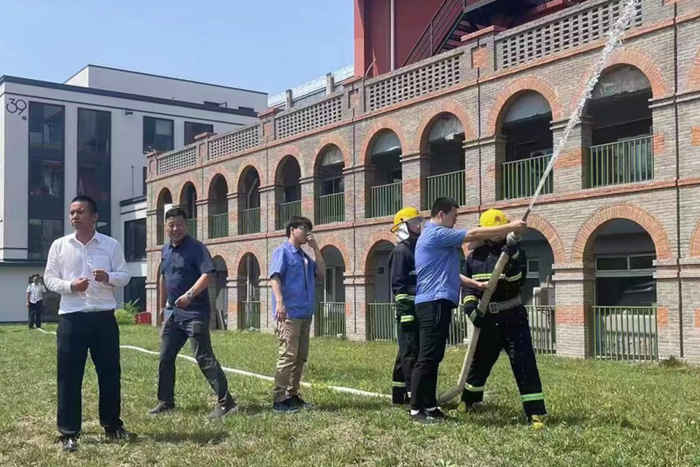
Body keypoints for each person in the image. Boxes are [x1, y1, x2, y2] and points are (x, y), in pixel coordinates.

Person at [410, 197, 526, 423]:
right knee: (427, 357)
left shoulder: (438, 241)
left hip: (439, 302)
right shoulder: (435, 233)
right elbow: (473, 235)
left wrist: (477, 285)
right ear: (441, 215)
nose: (455, 222)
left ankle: (430, 407)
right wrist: (510, 227)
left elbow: (451, 273)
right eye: (453, 217)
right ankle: (416, 409)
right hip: (433, 302)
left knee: (434, 357)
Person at [44, 195, 133, 452]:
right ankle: (69, 432)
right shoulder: (60, 246)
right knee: (69, 377)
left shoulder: (110, 245)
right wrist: (71, 285)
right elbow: (50, 278)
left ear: (95, 217)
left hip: (103, 318)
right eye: (72, 212)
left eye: (80, 212)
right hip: (71, 318)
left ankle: (112, 425)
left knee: (109, 373)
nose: (74, 216)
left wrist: (108, 277)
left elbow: (125, 275)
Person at [457, 209, 547, 429]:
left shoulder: (516, 252)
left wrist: (511, 256)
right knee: (479, 363)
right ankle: (468, 401)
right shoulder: (474, 258)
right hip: (487, 319)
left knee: (524, 363)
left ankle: (535, 412)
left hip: (513, 317)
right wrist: (471, 310)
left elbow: (518, 281)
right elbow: (468, 289)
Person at [149, 208, 238, 419]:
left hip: (195, 313)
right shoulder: (165, 250)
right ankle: (166, 401)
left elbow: (207, 274)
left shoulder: (197, 248)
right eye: (171, 225)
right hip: (173, 314)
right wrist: (161, 307)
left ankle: (227, 403)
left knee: (203, 356)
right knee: (165, 356)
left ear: (186, 225)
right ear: (165, 227)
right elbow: (163, 277)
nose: (175, 229)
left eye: (179, 224)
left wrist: (189, 294)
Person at [269, 216, 325, 413]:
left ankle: (292, 395)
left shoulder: (304, 257)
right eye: (304, 228)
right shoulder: (282, 251)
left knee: (300, 357)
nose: (307, 232)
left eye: (309, 229)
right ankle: (279, 399)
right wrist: (280, 302)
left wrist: (316, 248)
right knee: (288, 355)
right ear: (292, 229)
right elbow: (275, 278)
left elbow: (321, 272)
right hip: (289, 314)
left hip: (305, 313)